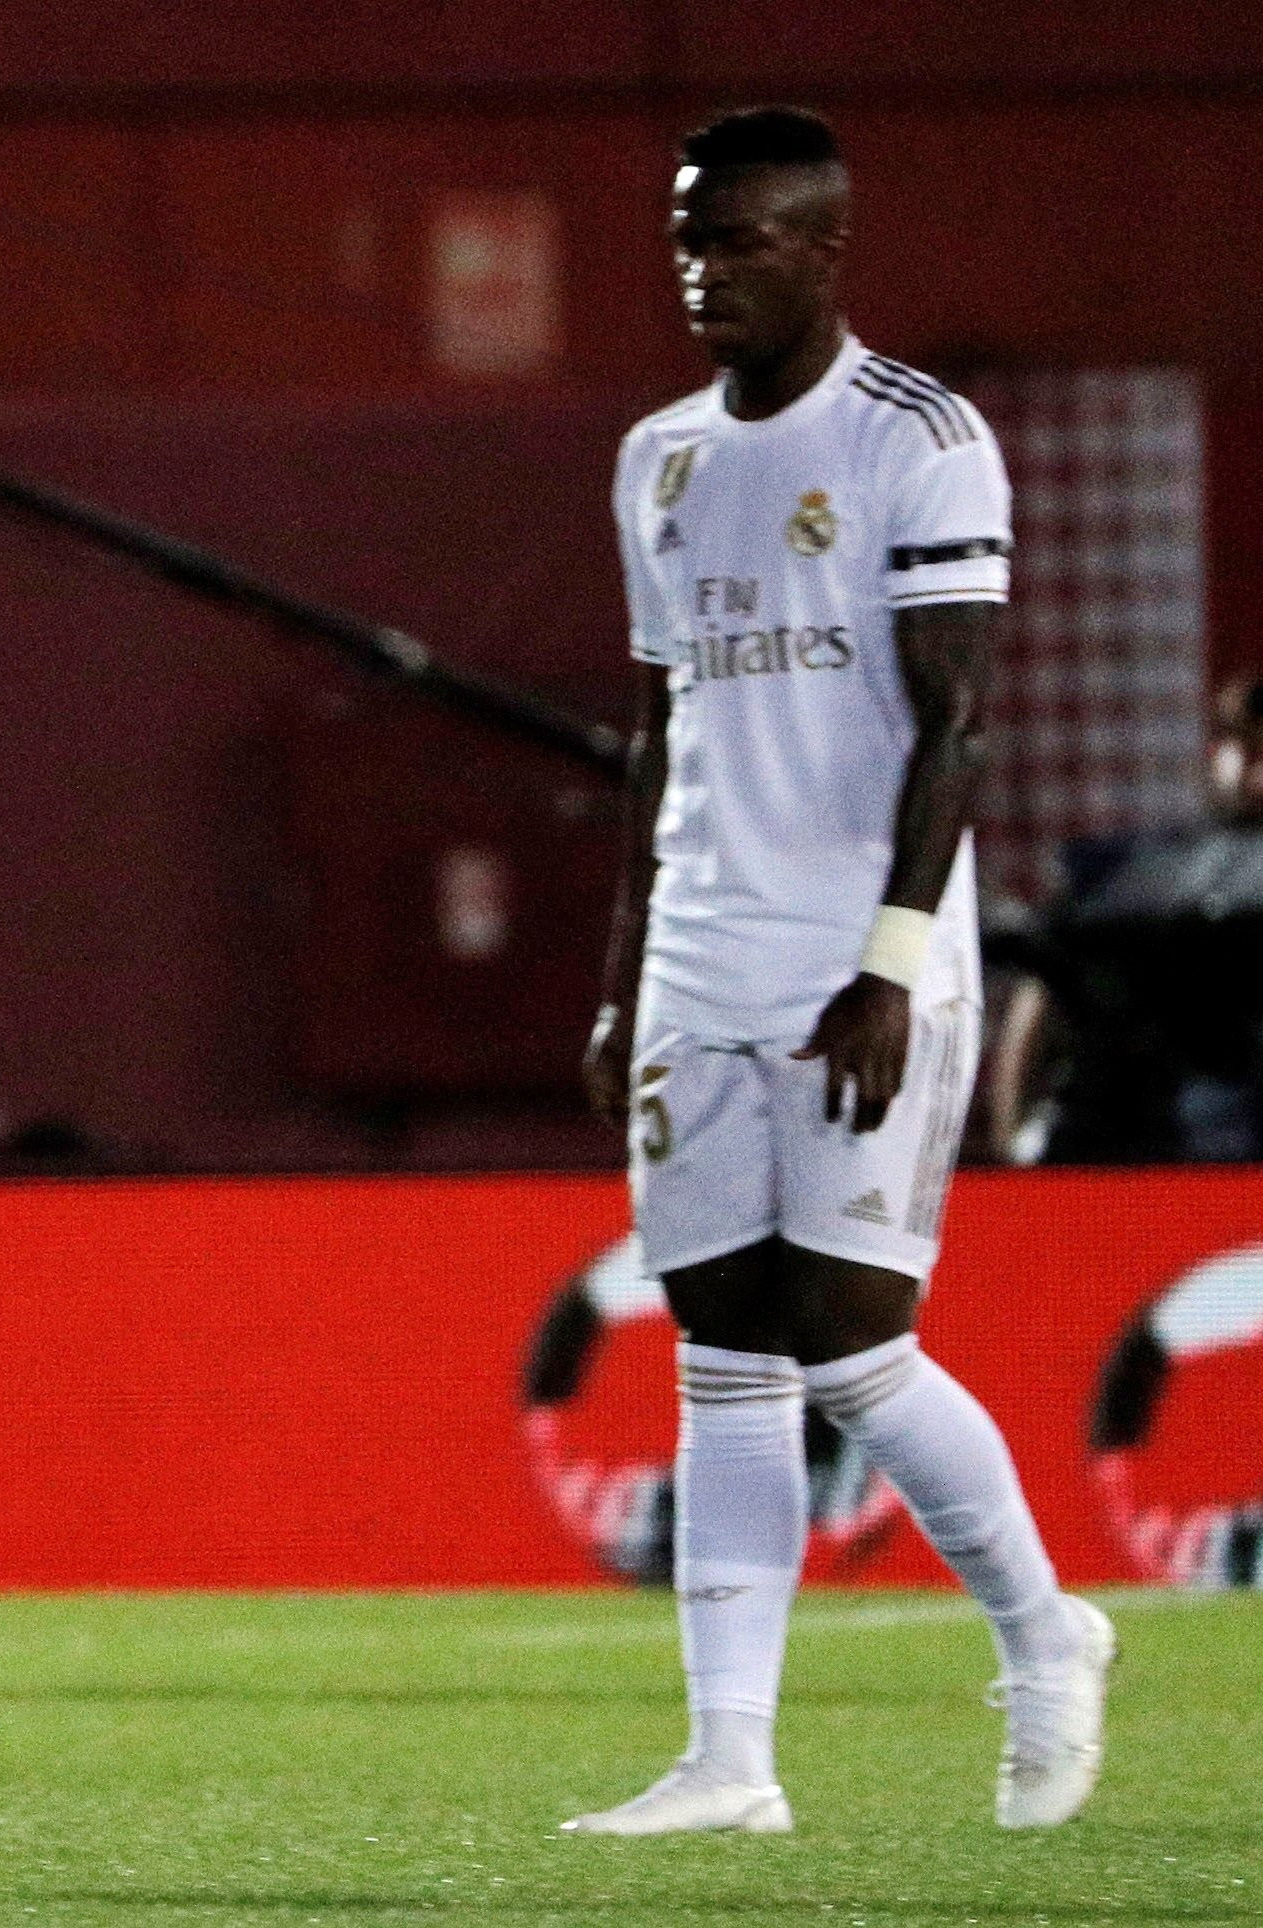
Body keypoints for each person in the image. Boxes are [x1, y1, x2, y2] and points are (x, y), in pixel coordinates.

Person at [569, 106, 1110, 1837]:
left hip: (855, 953)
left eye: (731, 239)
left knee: (852, 1340)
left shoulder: (916, 441)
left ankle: (1044, 1629)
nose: (696, 269)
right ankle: (728, 1756)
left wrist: (890, 958)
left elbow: (952, 724)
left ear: (820, 248)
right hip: (699, 957)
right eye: (680, 237)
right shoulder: (654, 456)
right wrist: (614, 977)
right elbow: (659, 734)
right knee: (718, 1343)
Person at [985, 674, 1263, 1163]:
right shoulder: (1140, 868)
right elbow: (1045, 982)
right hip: (1136, 1143)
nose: (1254, 770)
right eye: (1245, 745)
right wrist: (1012, 1136)